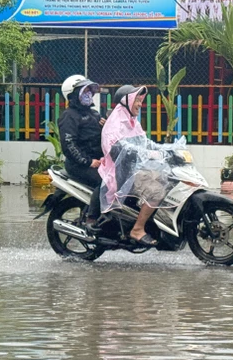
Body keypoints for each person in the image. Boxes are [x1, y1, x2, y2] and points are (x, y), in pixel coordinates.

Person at [99, 85, 169, 247]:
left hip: (134, 170)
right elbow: (120, 149)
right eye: (136, 100)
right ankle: (137, 229)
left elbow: (145, 142)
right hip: (120, 174)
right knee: (156, 191)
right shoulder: (114, 124)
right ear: (126, 101)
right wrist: (146, 154)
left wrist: (167, 149)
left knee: (166, 178)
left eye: (140, 100)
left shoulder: (131, 121)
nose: (139, 104)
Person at [58, 75, 104, 227]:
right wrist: (88, 162)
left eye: (90, 90)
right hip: (79, 165)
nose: (89, 94)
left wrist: (106, 126)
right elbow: (68, 144)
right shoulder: (69, 116)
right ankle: (92, 218)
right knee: (105, 181)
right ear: (73, 95)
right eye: (84, 91)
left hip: (98, 161)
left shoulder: (94, 114)